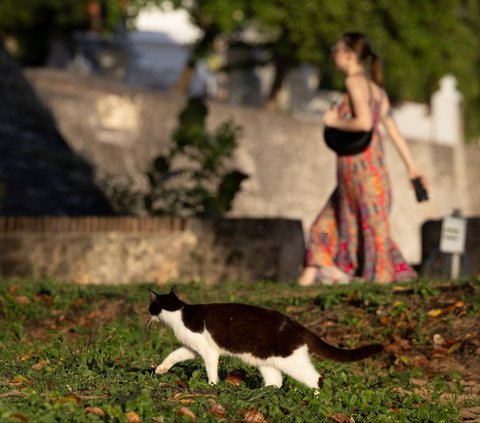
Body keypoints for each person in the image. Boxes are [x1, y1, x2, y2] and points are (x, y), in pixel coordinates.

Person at [298, 32, 427, 286]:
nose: (333, 53)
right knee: (325, 227)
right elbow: (393, 132)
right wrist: (412, 168)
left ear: (349, 55)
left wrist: (334, 121)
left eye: (336, 49)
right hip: (362, 174)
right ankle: (306, 279)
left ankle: (380, 285)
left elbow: (365, 122)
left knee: (373, 234)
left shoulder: (355, 82)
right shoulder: (377, 90)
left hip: (362, 173)